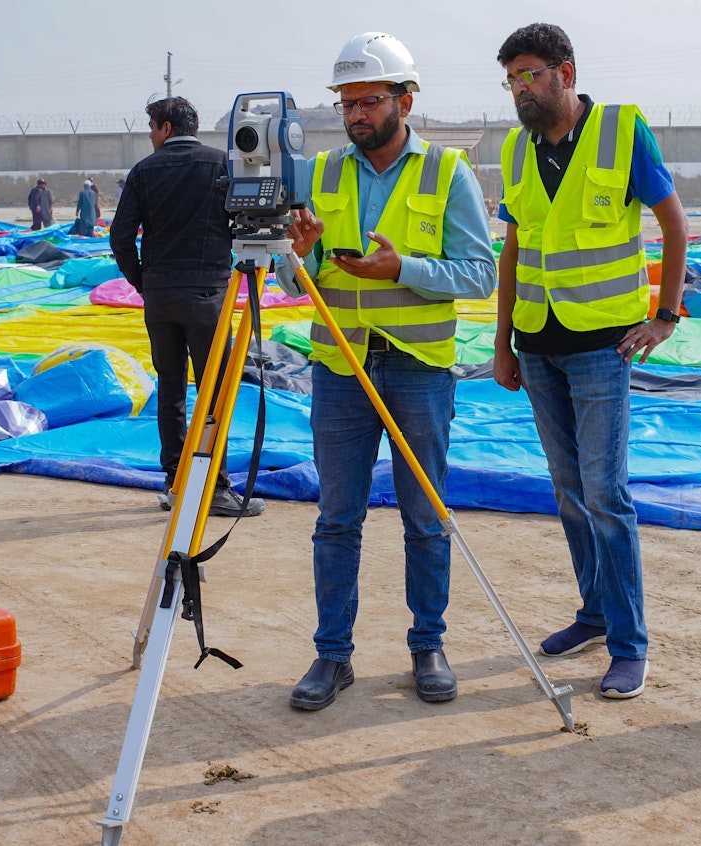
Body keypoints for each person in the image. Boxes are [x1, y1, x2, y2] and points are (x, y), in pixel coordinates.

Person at [280, 32, 497, 712]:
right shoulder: (317, 174)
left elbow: (481, 272)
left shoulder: (448, 173)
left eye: (368, 100)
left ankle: (427, 645)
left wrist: (401, 268)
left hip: (419, 372)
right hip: (339, 368)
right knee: (336, 519)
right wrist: (301, 256)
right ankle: (332, 655)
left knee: (425, 519)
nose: (354, 115)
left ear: (406, 99)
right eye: (345, 102)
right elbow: (295, 281)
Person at [492, 23, 689, 700]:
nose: (520, 88)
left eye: (530, 74)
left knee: (607, 494)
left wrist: (665, 315)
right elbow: (514, 250)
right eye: (511, 78)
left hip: (604, 346)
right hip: (538, 345)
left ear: (565, 72)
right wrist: (502, 343)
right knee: (569, 492)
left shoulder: (621, 132)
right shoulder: (517, 152)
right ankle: (595, 614)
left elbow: (673, 222)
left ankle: (630, 645)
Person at [109, 96, 267, 520]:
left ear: (164, 127)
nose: (149, 136)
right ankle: (214, 486)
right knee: (214, 391)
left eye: (151, 129)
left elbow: (120, 238)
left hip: (159, 296)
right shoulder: (222, 164)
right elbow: (245, 223)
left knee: (171, 389)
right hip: (207, 296)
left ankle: (176, 481)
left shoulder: (144, 171)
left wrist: (143, 281)